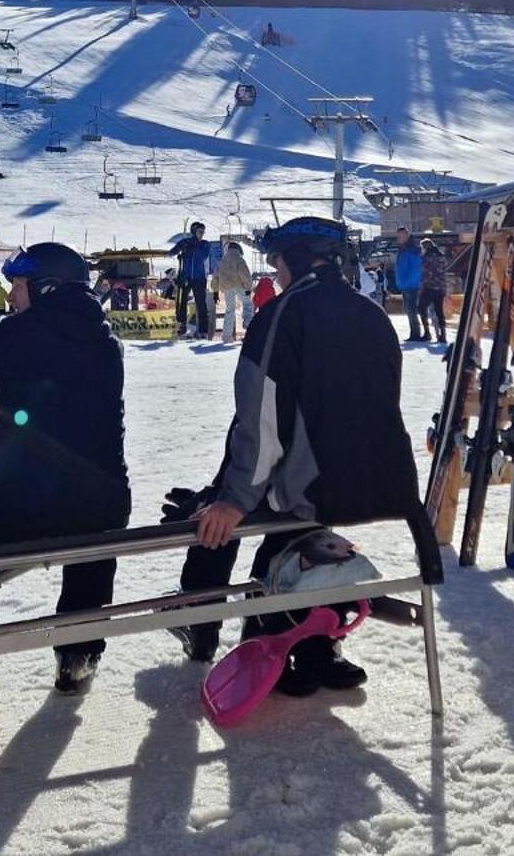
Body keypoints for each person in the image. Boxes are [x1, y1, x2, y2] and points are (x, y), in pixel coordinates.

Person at [175, 217, 422, 692]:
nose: (277, 275)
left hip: (313, 482)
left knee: (222, 512)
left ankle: (223, 623)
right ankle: (307, 641)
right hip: (378, 480)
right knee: (289, 512)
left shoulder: (284, 313)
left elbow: (261, 415)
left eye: (278, 264)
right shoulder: (371, 314)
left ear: (294, 260)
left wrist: (235, 495)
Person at [0, 244, 130, 711]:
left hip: (34, 503)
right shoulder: (99, 336)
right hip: (105, 498)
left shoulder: (32, 331)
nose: (13, 296)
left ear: (45, 287)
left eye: (18, 286)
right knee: (93, 535)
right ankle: (78, 656)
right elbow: (30, 350)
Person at [174, 222, 214, 338]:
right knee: (181, 301)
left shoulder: (204, 244)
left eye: (203, 232)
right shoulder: (186, 243)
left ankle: (203, 331)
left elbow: (202, 255)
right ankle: (182, 324)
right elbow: (174, 251)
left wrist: (189, 250)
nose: (201, 234)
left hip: (199, 278)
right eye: (199, 232)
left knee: (201, 304)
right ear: (193, 231)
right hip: (186, 276)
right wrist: (180, 253)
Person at [213, 237, 254, 343]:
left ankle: (227, 337)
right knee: (247, 304)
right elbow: (245, 274)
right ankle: (248, 325)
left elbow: (215, 276)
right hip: (240, 286)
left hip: (227, 288)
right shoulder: (239, 259)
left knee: (229, 310)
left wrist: (215, 291)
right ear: (238, 250)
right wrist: (248, 287)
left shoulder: (222, 260)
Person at [392, 228, 424, 341]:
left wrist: (408, 280)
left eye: (400, 236)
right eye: (398, 236)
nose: (398, 239)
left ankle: (416, 334)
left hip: (411, 285)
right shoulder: (403, 249)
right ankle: (414, 333)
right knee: (408, 310)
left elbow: (416, 268)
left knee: (411, 310)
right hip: (405, 284)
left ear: (406, 235)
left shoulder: (412, 249)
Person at [418, 238, 449, 345]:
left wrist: (422, 286)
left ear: (425, 247)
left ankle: (427, 332)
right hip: (441, 287)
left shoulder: (427, 258)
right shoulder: (441, 256)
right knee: (439, 311)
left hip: (430, 287)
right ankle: (443, 335)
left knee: (421, 308)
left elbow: (426, 274)